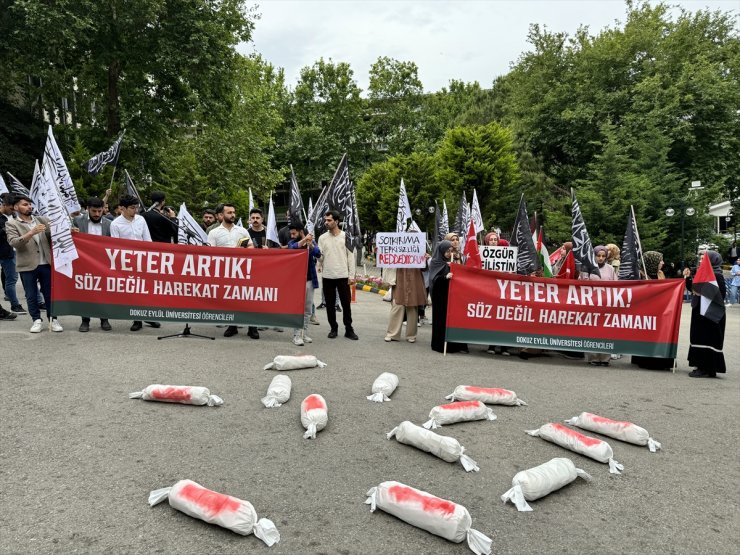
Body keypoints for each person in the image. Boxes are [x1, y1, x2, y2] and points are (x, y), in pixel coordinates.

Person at [5, 194, 63, 333]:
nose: (29, 206)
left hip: (46, 263)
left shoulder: (42, 220)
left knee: (50, 294)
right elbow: (13, 242)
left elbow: (54, 235)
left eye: (30, 204)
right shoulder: (12, 223)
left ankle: (53, 319)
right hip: (27, 265)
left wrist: (68, 232)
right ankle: (36, 320)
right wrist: (31, 232)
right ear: (16, 207)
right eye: (25, 204)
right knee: (31, 295)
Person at [207, 205, 258, 340]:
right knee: (231, 298)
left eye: (234, 212)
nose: (232, 215)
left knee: (247, 299)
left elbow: (251, 247)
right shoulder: (214, 233)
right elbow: (209, 253)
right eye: (229, 212)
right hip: (225, 272)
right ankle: (232, 325)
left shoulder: (242, 231)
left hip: (243, 270)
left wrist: (241, 251)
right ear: (222, 215)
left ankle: (252, 326)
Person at [111, 195, 160, 332]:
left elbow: (147, 240)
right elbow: (116, 246)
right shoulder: (115, 224)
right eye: (132, 208)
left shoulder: (141, 220)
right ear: (122, 208)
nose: (136, 210)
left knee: (145, 290)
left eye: (136, 207)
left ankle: (147, 315)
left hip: (143, 260)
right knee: (133, 291)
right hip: (127, 262)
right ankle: (136, 319)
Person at [683, 253, 727, 378]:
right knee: (699, 337)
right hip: (700, 312)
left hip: (711, 313)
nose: (701, 261)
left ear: (713, 260)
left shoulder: (717, 275)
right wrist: (688, 278)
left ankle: (706, 368)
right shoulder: (701, 273)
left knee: (708, 338)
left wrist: (701, 290)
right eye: (701, 259)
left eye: (704, 259)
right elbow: (694, 289)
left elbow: (721, 295)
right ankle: (700, 365)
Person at [73, 197, 112, 332]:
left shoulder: (108, 224)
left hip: (102, 264)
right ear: (88, 209)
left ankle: (104, 319)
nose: (96, 214)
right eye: (94, 211)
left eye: (99, 211)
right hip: (84, 263)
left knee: (103, 292)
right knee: (85, 293)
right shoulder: (77, 221)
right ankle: (85, 320)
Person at [317, 210, 357, 340]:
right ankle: (333, 328)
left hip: (343, 275)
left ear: (336, 221)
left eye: (329, 220)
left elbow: (351, 257)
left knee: (346, 304)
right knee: (329, 304)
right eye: (325, 220)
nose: (326, 222)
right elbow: (321, 257)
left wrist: (352, 276)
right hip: (328, 275)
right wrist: (317, 258)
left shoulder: (346, 237)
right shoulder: (322, 238)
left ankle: (349, 329)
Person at [631, 251, 674, 370]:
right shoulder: (640, 275)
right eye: (660, 260)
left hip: (661, 311)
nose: (663, 263)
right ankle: (645, 360)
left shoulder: (660, 274)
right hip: (646, 311)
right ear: (652, 262)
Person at [429, 240, 467, 354]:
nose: (448, 253)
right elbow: (434, 280)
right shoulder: (435, 262)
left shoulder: (449, 263)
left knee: (450, 320)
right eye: (446, 251)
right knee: (441, 320)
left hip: (450, 295)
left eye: (450, 251)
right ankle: (439, 345)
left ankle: (453, 345)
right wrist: (445, 277)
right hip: (440, 297)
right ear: (441, 251)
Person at [582, 245, 616, 366]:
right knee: (592, 331)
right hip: (592, 304)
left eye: (603, 256)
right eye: (598, 256)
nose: (601, 258)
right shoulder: (587, 268)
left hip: (606, 304)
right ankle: (593, 357)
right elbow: (581, 285)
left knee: (606, 331)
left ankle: (605, 358)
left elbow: (616, 286)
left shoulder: (610, 269)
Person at [288, 224, 320, 346]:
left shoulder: (311, 243)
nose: (292, 235)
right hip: (297, 281)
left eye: (294, 233)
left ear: (301, 231)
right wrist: (304, 240)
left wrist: (310, 243)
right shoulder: (293, 242)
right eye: (291, 233)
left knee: (307, 309)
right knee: (298, 309)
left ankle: (304, 333)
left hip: (310, 280)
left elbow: (317, 253)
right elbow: (292, 248)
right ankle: (296, 335)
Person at [482, 231, 509, 356]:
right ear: (487, 241)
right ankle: (491, 345)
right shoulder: (482, 255)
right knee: (493, 318)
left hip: (503, 290)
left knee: (504, 318)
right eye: (491, 239)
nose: (493, 241)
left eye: (495, 240)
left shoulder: (507, 255)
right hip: (489, 290)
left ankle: (504, 347)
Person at [385, 266, 427, 343]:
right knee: (397, 305)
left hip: (414, 277)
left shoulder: (420, 253)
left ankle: (411, 335)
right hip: (399, 276)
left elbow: (424, 268)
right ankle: (392, 334)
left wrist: (424, 259)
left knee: (413, 306)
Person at [0, 193, 26, 314]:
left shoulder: (11, 217)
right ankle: (15, 305)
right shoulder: (2, 218)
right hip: (5, 253)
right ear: (4, 205)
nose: (12, 211)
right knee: (12, 279)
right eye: (11, 208)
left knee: (13, 278)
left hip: (12, 251)